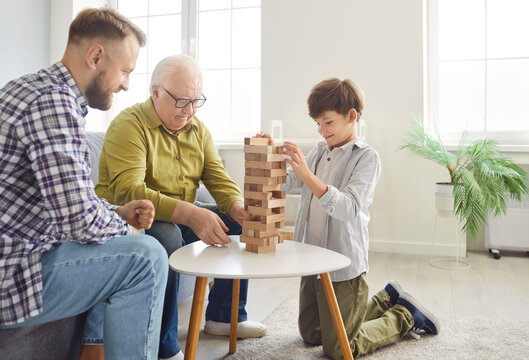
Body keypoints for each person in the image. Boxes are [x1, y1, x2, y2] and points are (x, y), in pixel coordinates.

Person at [0, 7, 169, 360]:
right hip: (12, 274)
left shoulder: (26, 88)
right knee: (146, 256)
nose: (126, 83)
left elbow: (66, 199)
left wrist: (116, 212)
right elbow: (78, 221)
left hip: (20, 249)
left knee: (126, 239)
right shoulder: (53, 102)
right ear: (95, 56)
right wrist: (125, 229)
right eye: (125, 71)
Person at [95, 54, 266, 360]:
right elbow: (130, 190)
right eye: (182, 101)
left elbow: (218, 179)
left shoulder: (198, 130)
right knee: (168, 237)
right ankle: (163, 346)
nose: (190, 110)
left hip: (181, 213)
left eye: (196, 101)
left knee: (236, 223)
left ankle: (224, 318)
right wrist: (190, 213)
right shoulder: (129, 125)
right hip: (132, 217)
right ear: (155, 92)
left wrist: (238, 206)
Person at [257, 78, 440, 359]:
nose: (321, 130)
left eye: (327, 122)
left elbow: (349, 207)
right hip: (312, 261)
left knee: (341, 348)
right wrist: (269, 155)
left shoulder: (367, 158)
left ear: (351, 116)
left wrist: (308, 176)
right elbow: (291, 183)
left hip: (343, 266)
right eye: (317, 123)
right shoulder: (319, 151)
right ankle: (385, 299)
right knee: (311, 335)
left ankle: (404, 315)